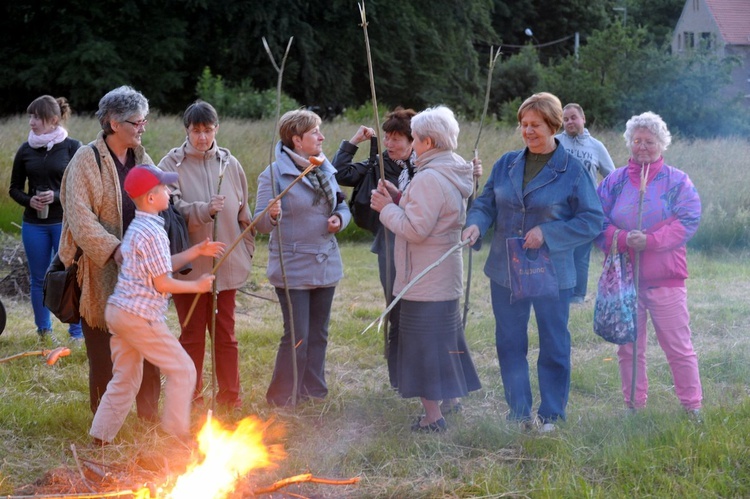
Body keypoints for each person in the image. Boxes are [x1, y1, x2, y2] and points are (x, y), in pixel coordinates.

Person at [462, 92, 603, 432]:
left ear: (553, 126)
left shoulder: (573, 170)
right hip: (505, 271)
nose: (528, 131)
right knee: (509, 341)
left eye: (535, 125)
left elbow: (592, 219)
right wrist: (476, 223)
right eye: (523, 125)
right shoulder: (506, 163)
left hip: (552, 274)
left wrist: (549, 233)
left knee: (554, 343)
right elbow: (485, 203)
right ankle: (519, 412)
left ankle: (552, 414)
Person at [89, 165, 225, 445]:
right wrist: (196, 285)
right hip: (139, 316)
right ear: (151, 198)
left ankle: (100, 439)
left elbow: (160, 267)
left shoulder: (141, 226)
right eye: (165, 189)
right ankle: (176, 437)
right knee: (183, 370)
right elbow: (162, 283)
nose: (169, 192)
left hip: (119, 312)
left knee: (126, 378)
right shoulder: (153, 233)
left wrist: (196, 251)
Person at [371, 105, 481, 432]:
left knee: (422, 347)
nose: (413, 145)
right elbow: (434, 214)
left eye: (416, 139)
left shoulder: (429, 177)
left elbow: (416, 230)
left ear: (430, 142)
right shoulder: (454, 170)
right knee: (444, 339)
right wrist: (402, 197)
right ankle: (452, 400)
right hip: (445, 273)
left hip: (423, 276)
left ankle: (433, 418)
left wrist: (387, 209)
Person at [59, 86, 161, 420]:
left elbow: (161, 199)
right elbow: (78, 215)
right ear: (114, 123)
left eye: (144, 120)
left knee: (148, 345)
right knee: (103, 351)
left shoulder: (142, 158)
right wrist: (114, 249)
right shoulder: (86, 160)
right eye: (136, 122)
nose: (142, 127)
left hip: (140, 274)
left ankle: (148, 419)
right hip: (100, 272)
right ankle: (104, 426)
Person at [596, 111, 702, 418]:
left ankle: (692, 406)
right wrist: (624, 238)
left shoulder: (678, 181)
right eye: (637, 140)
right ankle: (633, 406)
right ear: (629, 143)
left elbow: (689, 219)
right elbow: (596, 223)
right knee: (628, 349)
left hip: (665, 278)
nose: (642, 146)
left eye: (650, 141)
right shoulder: (613, 182)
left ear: (662, 144)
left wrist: (652, 242)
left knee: (678, 346)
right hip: (624, 281)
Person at [158, 101, 254, 411]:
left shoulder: (230, 164)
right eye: (196, 131)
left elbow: (244, 213)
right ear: (186, 131)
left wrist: (248, 245)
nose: (202, 137)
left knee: (225, 334)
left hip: (225, 267)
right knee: (192, 334)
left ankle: (230, 397)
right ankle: (192, 397)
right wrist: (202, 210)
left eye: (208, 130)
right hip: (189, 268)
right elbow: (168, 209)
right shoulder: (170, 165)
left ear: (216, 129)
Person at [254, 109, 350, 407]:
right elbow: (259, 225)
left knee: (319, 335)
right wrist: (271, 215)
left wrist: (339, 219)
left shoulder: (325, 168)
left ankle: (314, 392)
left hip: (326, 263)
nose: (322, 137)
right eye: (315, 133)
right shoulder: (273, 175)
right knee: (297, 337)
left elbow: (342, 205)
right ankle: (281, 398)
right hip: (293, 267)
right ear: (296, 139)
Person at [331, 107, 417, 388]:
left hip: (421, 249)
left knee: (421, 312)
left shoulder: (426, 166)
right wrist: (353, 142)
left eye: (397, 138)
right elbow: (339, 173)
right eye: (387, 137)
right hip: (389, 247)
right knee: (397, 311)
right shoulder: (377, 164)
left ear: (413, 139)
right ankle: (399, 378)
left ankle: (422, 373)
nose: (390, 143)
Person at [9, 95, 83, 341]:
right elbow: (14, 188)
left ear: (53, 120)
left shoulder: (73, 147)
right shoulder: (25, 149)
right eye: (30, 116)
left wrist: (58, 196)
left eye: (36, 117)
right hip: (34, 224)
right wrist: (29, 200)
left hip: (65, 224)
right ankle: (44, 331)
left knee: (71, 275)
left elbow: (81, 186)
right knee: (39, 278)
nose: (31, 122)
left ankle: (76, 331)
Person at [556, 103, 616, 304]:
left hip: (586, 209)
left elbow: (611, 177)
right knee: (560, 251)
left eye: (573, 117)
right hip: (559, 208)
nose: (569, 122)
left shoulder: (596, 146)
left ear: (583, 119)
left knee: (581, 255)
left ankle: (578, 296)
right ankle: (559, 292)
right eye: (565, 119)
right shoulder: (555, 143)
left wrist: (606, 203)